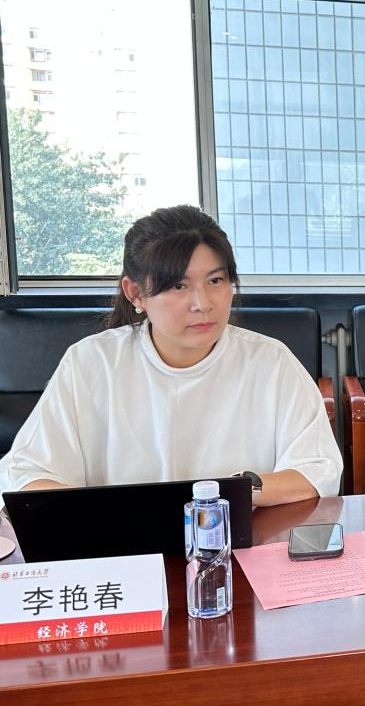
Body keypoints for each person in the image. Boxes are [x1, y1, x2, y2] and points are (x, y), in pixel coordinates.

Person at [0, 206, 342, 504]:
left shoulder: (270, 362)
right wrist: (116, 513)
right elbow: (26, 474)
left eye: (216, 281)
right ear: (135, 292)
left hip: (238, 543)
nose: (203, 303)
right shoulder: (91, 363)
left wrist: (231, 492)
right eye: (178, 286)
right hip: (124, 547)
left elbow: (317, 469)